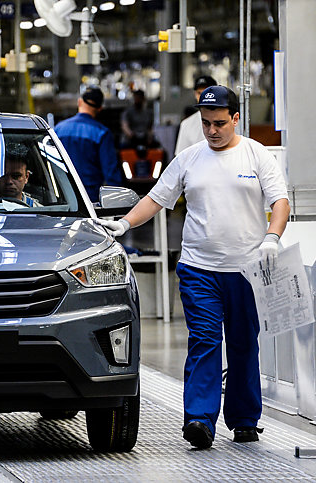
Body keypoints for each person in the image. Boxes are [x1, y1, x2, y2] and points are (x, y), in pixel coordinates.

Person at [96, 86, 290, 449]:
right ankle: (200, 419)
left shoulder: (257, 155)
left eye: (219, 123)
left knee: (244, 344)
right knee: (204, 341)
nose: (212, 130)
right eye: (205, 124)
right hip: (199, 269)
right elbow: (156, 198)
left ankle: (245, 419)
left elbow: (280, 200)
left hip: (247, 271)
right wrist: (124, 224)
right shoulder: (189, 158)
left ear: (236, 118)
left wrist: (272, 237)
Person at [54, 87, 121, 202]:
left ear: (79, 102)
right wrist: (117, 202)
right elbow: (110, 173)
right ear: (100, 108)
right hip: (90, 199)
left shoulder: (58, 129)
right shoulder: (101, 133)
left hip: (61, 197)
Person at [175, 75, 218, 155]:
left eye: (207, 93)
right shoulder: (187, 124)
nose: (203, 97)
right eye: (199, 93)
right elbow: (181, 157)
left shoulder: (230, 120)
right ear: (195, 94)